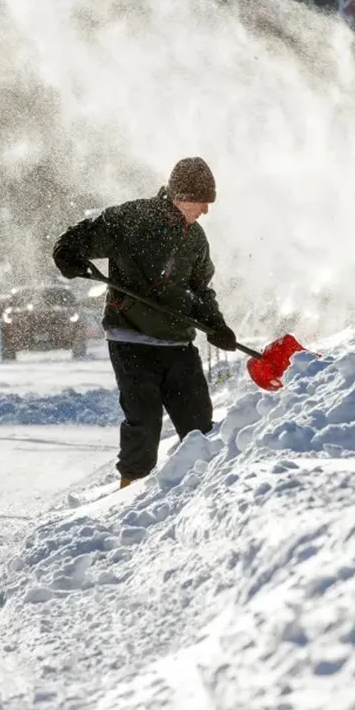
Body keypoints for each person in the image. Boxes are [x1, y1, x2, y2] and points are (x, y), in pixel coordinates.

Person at [52, 157, 238, 490]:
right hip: (132, 342)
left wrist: (216, 325)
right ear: (180, 194)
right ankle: (126, 504)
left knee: (199, 428)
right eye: (202, 202)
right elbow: (75, 241)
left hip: (179, 345)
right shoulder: (131, 218)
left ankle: (202, 502)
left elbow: (201, 291)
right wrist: (68, 255)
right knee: (144, 428)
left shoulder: (195, 238)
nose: (206, 211)